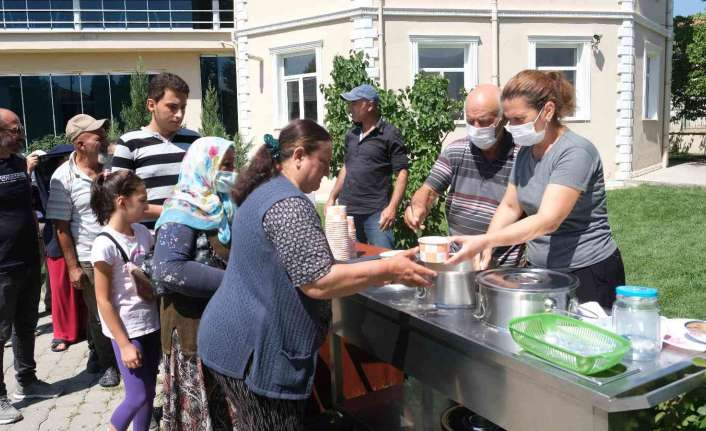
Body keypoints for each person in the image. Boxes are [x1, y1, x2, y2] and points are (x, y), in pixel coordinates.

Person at [197, 119, 435, 430]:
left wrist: (384, 262)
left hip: (231, 338)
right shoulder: (288, 204)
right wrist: (388, 269)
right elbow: (318, 282)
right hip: (253, 352)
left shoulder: (267, 190)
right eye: (323, 161)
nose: (327, 172)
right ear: (298, 156)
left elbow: (306, 264)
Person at [448, 70, 625, 307]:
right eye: (508, 120)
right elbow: (510, 205)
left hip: (587, 271)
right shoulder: (525, 152)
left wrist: (482, 241)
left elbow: (548, 220)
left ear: (548, 111)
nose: (511, 127)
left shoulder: (575, 152)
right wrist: (488, 244)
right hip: (542, 269)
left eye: (519, 119)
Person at [151, 137, 236, 430]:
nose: (230, 172)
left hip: (223, 326)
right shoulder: (181, 209)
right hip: (192, 330)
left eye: (232, 165)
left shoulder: (223, 205)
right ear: (204, 166)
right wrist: (236, 282)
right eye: (224, 165)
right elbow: (168, 268)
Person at [403, 84, 523, 267]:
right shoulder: (456, 151)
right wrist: (417, 208)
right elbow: (429, 190)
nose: (476, 128)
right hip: (459, 261)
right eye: (470, 121)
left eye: (483, 122)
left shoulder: (521, 156)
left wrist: (489, 246)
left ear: (503, 119)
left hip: (503, 266)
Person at [46, 114, 120, 387]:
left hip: (122, 252)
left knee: (121, 309)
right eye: (98, 137)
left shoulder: (112, 166)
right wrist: (73, 267)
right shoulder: (62, 177)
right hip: (90, 257)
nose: (104, 140)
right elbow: (61, 227)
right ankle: (108, 364)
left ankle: (109, 353)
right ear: (80, 144)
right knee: (100, 313)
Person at [0, 108, 62, 426]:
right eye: (13, 129)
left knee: (26, 325)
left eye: (19, 128)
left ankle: (28, 379)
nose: (19, 133)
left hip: (27, 259)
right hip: (2, 266)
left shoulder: (16, 163)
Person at [90, 170, 160, 431]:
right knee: (137, 395)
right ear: (121, 201)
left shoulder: (142, 233)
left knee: (149, 394)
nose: (147, 206)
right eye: (142, 200)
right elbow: (103, 301)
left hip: (151, 324)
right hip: (127, 332)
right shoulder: (104, 244)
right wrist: (124, 344)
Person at [112, 72, 200, 229]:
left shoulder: (195, 142)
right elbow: (120, 199)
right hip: (146, 240)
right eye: (172, 107)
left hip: (192, 236)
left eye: (183, 107)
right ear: (151, 105)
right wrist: (176, 212)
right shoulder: (129, 143)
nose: (179, 115)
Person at [325, 84, 409, 249]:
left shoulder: (390, 134)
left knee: (385, 262)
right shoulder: (351, 134)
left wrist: (392, 208)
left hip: (376, 213)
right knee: (350, 260)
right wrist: (332, 197)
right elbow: (346, 167)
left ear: (370, 105)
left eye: (354, 104)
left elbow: (402, 173)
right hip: (348, 210)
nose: (350, 109)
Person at [38, 145, 88, 352]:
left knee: (81, 289)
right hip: (56, 242)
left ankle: (83, 330)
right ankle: (63, 333)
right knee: (61, 291)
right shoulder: (48, 182)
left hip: (79, 237)